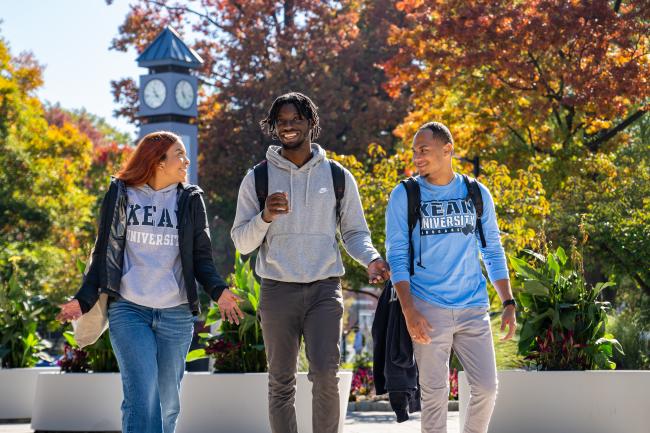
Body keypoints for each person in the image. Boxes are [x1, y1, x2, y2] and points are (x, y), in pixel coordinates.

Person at [57, 131, 243, 433]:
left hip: (176, 313)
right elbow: (103, 252)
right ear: (158, 161)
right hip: (129, 310)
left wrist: (219, 290)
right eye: (179, 155)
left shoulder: (190, 200)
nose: (186, 161)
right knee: (141, 394)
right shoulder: (121, 194)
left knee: (168, 403)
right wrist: (83, 298)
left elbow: (201, 259)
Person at [231, 92, 390, 433]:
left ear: (310, 123)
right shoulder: (257, 178)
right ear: (274, 127)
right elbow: (242, 241)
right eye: (282, 122)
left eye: (295, 120)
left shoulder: (336, 176)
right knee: (281, 381)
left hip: (323, 289)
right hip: (277, 291)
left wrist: (372, 258)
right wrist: (265, 216)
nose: (288, 127)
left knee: (325, 375)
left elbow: (354, 232)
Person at [385, 122, 517, 433]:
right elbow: (397, 255)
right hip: (427, 307)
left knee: (486, 387)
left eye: (424, 150)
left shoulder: (476, 193)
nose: (417, 156)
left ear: (448, 150)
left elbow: (493, 250)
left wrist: (508, 300)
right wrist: (409, 310)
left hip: (473, 306)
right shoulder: (405, 194)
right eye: (415, 150)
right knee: (435, 395)